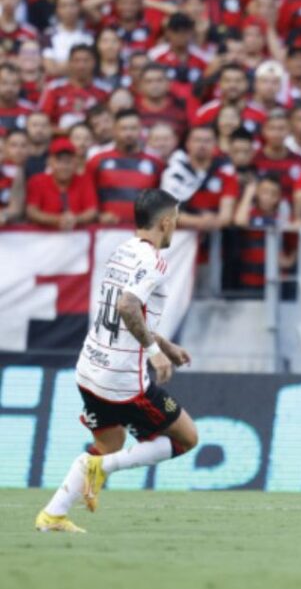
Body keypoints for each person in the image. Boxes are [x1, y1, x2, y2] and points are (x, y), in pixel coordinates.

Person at [35, 189, 199, 533]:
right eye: (177, 219)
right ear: (166, 222)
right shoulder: (154, 261)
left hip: (89, 367)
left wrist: (164, 344)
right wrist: (155, 355)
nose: (177, 226)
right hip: (120, 379)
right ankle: (97, 469)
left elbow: (126, 311)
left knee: (109, 446)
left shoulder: (121, 251)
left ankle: (53, 515)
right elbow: (126, 307)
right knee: (185, 438)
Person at [86, 109, 163, 225]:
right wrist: (99, 215)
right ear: (114, 131)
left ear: (140, 130)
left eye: (133, 128)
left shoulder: (156, 163)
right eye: (123, 129)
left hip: (142, 233)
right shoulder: (97, 160)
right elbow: (88, 195)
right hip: (107, 232)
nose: (129, 133)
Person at [25, 136, 97, 230]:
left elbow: (92, 211)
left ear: (75, 162)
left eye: (68, 161)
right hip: (42, 241)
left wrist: (75, 219)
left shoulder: (84, 181)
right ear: (50, 162)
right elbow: (32, 212)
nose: (64, 166)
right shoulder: (37, 181)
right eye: (59, 161)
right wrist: (57, 220)